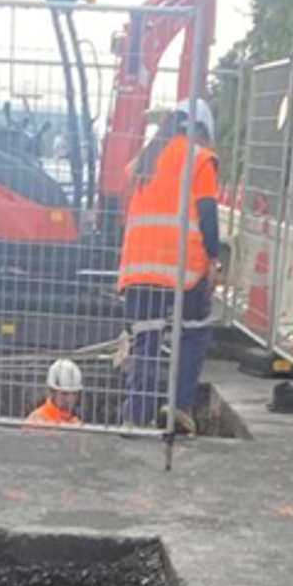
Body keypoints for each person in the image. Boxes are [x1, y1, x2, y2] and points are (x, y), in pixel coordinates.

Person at [117, 98, 220, 433]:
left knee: (146, 340)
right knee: (192, 332)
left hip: (139, 271)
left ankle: (136, 414)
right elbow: (206, 213)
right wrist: (214, 260)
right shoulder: (200, 159)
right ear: (201, 131)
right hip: (181, 271)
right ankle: (178, 408)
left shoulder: (145, 161)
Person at [24, 357, 84, 427]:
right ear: (52, 392)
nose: (70, 399)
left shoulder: (75, 423)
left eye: (74, 394)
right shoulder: (37, 420)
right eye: (64, 393)